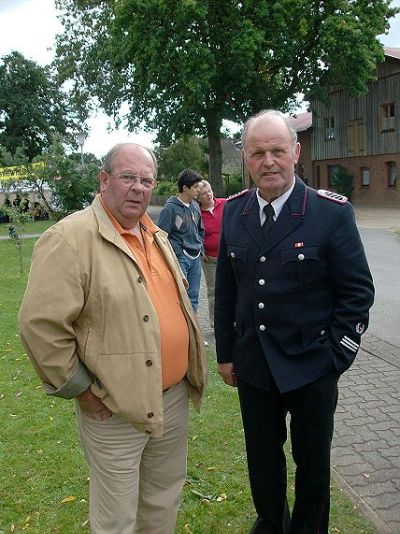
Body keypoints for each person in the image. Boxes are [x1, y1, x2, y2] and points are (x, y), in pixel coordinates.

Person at [19, 143, 207, 534]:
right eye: (128, 177)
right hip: (114, 408)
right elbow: (40, 326)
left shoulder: (155, 234)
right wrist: (82, 391)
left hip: (172, 400)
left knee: (162, 501)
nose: (139, 187)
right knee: (117, 519)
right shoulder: (69, 239)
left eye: (147, 180)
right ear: (104, 180)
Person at [214, 109, 374, 534]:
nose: (268, 161)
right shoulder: (235, 212)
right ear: (246, 158)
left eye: (278, 151)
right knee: (262, 460)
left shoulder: (329, 213)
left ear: (296, 152)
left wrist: (336, 357)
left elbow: (357, 293)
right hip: (254, 364)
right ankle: (271, 524)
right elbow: (226, 291)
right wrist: (226, 354)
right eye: (258, 153)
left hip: (311, 364)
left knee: (313, 464)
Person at [157, 169, 204, 312]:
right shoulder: (170, 208)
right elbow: (161, 236)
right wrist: (177, 251)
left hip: (195, 257)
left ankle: (192, 325)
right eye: (195, 187)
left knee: (193, 297)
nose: (198, 190)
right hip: (181, 258)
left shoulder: (195, 206)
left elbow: (200, 229)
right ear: (185, 188)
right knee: (180, 295)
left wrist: (200, 247)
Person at [197, 180, 226, 328]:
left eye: (209, 191)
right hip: (211, 259)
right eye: (203, 193)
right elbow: (194, 234)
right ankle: (216, 322)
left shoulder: (225, 204)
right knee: (214, 291)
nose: (208, 195)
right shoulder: (196, 213)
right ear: (198, 197)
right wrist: (200, 250)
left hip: (229, 256)